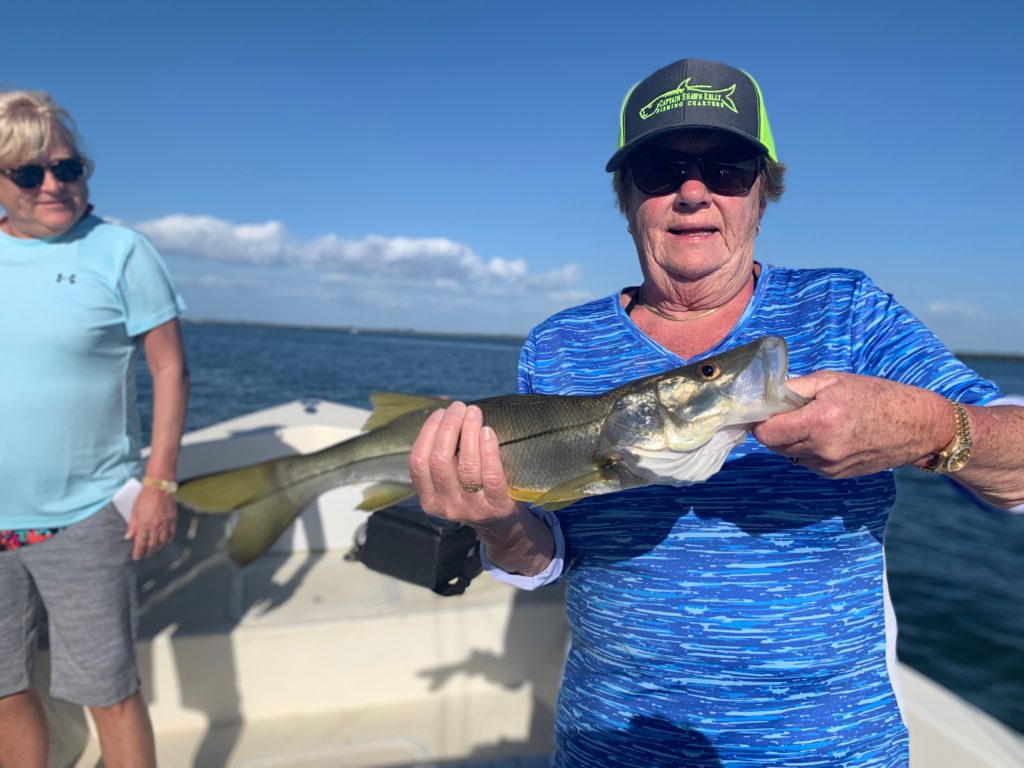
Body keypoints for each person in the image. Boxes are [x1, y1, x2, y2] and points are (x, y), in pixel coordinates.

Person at [407, 58, 1024, 767]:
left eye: (728, 167)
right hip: (610, 741)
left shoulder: (846, 308)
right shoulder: (559, 343)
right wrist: (491, 520)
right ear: (626, 196)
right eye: (661, 168)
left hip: (828, 749)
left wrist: (928, 427)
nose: (694, 192)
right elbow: (548, 554)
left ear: (764, 192)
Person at [0, 91, 189, 768]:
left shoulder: (120, 251)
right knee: (3, 689)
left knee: (107, 690)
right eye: (28, 172)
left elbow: (169, 370)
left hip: (84, 515)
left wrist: (159, 483)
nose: (52, 185)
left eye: (67, 168)